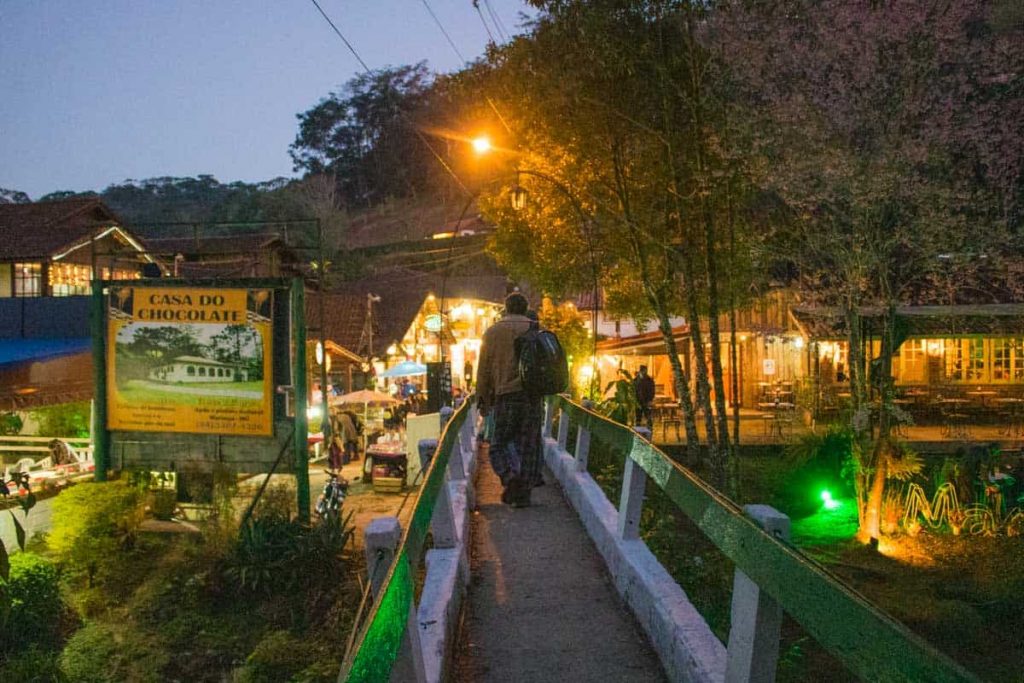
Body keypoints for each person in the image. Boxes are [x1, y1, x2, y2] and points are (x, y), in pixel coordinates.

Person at [477, 292, 543, 507]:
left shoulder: (492, 332)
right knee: (528, 445)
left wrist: (483, 399)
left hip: (505, 397)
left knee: (498, 444)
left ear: (506, 308)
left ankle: (509, 476)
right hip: (532, 397)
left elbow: (484, 370)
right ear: (525, 308)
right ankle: (523, 491)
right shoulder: (535, 330)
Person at [633, 365, 656, 429]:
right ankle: (638, 431)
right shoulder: (635, 380)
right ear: (641, 371)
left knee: (648, 417)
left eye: (645, 371)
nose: (644, 372)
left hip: (646, 401)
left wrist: (650, 399)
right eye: (643, 371)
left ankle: (649, 431)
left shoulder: (649, 380)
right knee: (638, 418)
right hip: (638, 402)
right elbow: (633, 390)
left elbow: (652, 390)